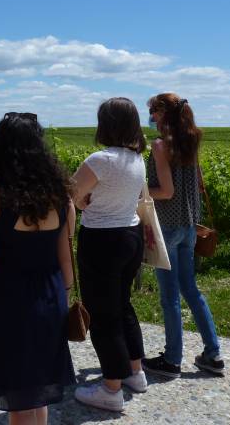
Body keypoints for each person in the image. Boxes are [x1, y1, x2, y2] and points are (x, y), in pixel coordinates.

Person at [0, 112, 76, 425]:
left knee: (18, 399)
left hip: (8, 300)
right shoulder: (62, 196)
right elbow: (65, 255)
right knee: (37, 392)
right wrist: (63, 301)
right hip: (50, 296)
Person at [70, 97, 148, 412]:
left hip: (102, 239)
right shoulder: (137, 159)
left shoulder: (100, 160)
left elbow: (72, 193)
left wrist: (83, 203)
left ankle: (111, 388)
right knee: (122, 305)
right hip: (131, 234)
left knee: (102, 315)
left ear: (106, 124)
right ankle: (135, 372)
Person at [142, 93, 224, 378]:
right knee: (191, 289)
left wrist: (138, 191)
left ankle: (172, 360)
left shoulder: (161, 145)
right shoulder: (191, 142)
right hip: (190, 225)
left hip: (166, 226)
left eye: (153, 112)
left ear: (164, 113)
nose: (151, 117)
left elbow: (165, 192)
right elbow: (197, 183)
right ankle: (213, 354)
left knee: (170, 298)